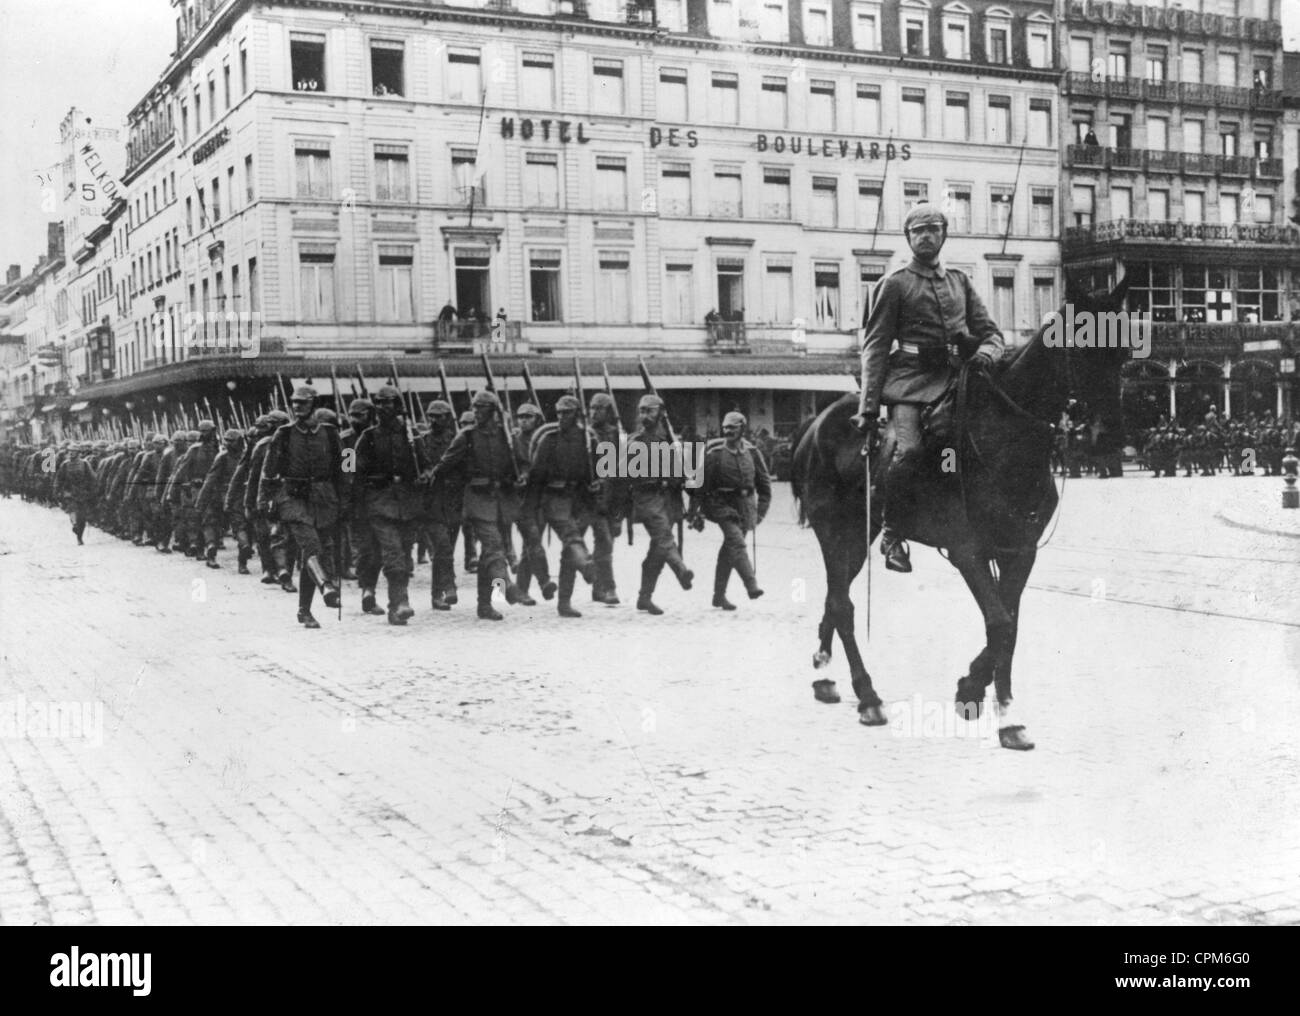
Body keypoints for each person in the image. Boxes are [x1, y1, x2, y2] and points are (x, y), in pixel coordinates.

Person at [852, 202, 1005, 573]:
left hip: (957, 379)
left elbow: (992, 334)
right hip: (909, 382)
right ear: (908, 238)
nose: (925, 236)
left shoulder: (960, 282)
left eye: (932, 228)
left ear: (944, 234)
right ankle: (892, 532)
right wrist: (868, 407)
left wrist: (986, 353)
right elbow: (874, 346)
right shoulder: (895, 284)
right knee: (910, 451)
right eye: (917, 231)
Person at [425, 390, 526, 621]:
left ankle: (486, 604)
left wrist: (521, 476)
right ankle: (507, 586)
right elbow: (443, 467)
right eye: (474, 407)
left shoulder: (506, 437)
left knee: (487, 557)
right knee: (494, 546)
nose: (476, 411)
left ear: (492, 410)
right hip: (476, 501)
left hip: (500, 500)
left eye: (481, 407)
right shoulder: (466, 436)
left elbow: (522, 464)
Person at [260, 388, 344, 628]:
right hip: (293, 500)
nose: (297, 407)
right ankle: (327, 586)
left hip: (325, 500)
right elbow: (268, 471)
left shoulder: (330, 433)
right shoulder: (283, 434)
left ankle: (303, 611)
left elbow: (347, 462)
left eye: (303, 403)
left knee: (313, 554)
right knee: (312, 546)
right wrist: (263, 500)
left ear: (314, 404)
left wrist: (347, 494)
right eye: (294, 403)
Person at [354, 386, 428, 625]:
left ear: (398, 406)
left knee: (405, 555)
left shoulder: (411, 435)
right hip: (380, 504)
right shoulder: (368, 437)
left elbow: (426, 465)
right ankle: (399, 603)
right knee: (393, 553)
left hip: (407, 503)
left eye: (389, 402)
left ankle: (396, 605)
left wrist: (424, 475)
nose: (384, 407)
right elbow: (354, 473)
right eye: (380, 403)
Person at [688, 411, 772, 610]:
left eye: (732, 428)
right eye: (725, 427)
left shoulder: (752, 452)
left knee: (729, 551)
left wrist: (759, 512)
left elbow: (764, 484)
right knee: (736, 542)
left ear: (742, 429)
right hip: (721, 506)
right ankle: (752, 585)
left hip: (745, 507)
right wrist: (694, 512)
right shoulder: (715, 454)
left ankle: (719, 596)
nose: (728, 431)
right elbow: (699, 486)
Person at [528, 395, 598, 618]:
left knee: (569, 553)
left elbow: (601, 471)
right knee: (571, 537)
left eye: (566, 413)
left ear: (577, 414)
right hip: (554, 497)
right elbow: (536, 476)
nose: (560, 417)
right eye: (558, 413)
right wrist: (530, 508)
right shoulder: (549, 439)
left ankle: (564, 602)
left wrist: (596, 484)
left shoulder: (588, 440)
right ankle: (587, 565)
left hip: (581, 499)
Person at [626, 394, 693, 615]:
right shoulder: (636, 441)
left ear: (661, 413)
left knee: (657, 551)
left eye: (649, 411)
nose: (644, 415)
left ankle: (644, 598)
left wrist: (681, 467)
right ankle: (681, 570)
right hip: (646, 498)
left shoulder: (670, 441)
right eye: (641, 411)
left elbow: (683, 474)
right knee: (664, 537)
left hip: (668, 500)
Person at [415, 399, 462, 611]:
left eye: (438, 416)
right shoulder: (421, 441)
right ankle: (448, 586)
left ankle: (437, 594)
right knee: (442, 546)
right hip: (432, 502)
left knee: (446, 549)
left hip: (453, 500)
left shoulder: (458, 440)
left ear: (448, 418)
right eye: (430, 416)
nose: (433, 420)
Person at [510, 402, 553, 606]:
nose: (524, 420)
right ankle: (544, 582)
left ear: (537, 419)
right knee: (533, 540)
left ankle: (521, 590)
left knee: (531, 545)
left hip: (541, 498)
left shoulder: (545, 439)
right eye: (520, 417)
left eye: (528, 417)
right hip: (521, 499)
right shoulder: (514, 441)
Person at [586, 392, 624, 605]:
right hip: (589, 499)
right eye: (591, 408)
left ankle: (598, 588)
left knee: (604, 546)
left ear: (608, 411)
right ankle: (609, 588)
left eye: (598, 409)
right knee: (604, 543)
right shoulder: (586, 434)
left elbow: (621, 477)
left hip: (610, 500)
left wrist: (619, 515)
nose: (593, 413)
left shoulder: (617, 436)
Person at [55, 443, 97, 544]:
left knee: (82, 518)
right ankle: (74, 524)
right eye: (69, 451)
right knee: (72, 509)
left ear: (78, 453)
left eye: (73, 451)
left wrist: (91, 490)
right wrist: (57, 490)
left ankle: (79, 537)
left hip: (82, 492)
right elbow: (59, 479)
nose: (71, 453)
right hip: (69, 491)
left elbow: (92, 478)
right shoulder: (65, 464)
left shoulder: (84, 463)